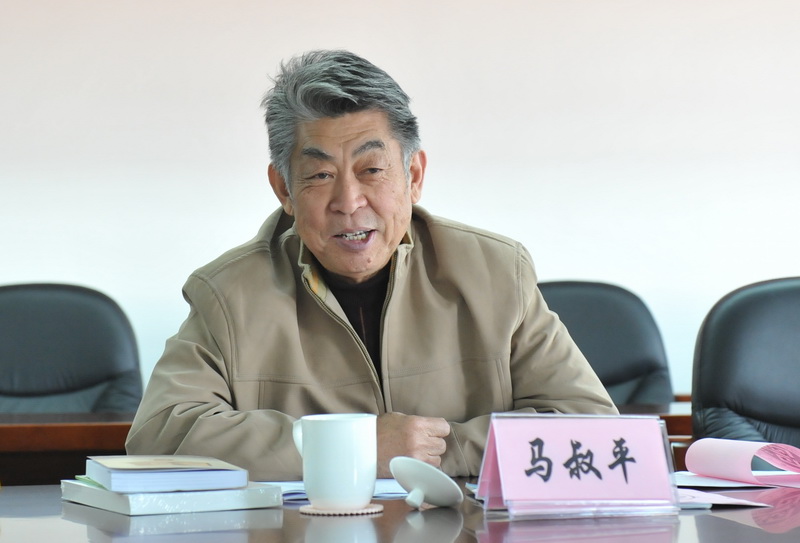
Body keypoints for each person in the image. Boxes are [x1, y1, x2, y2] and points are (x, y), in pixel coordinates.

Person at [126, 50, 617, 481]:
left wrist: (428, 451)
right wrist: (356, 446)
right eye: (320, 175)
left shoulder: (495, 271)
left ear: (414, 175)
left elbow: (590, 427)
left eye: (372, 170)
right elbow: (160, 435)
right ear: (283, 190)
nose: (349, 201)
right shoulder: (229, 293)